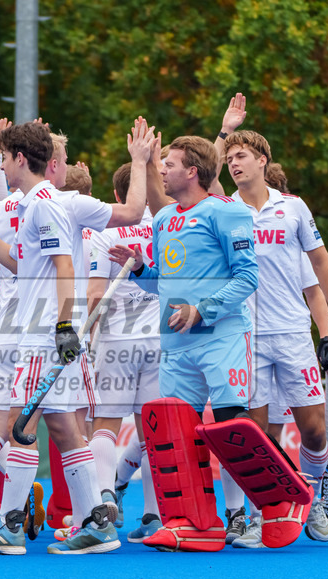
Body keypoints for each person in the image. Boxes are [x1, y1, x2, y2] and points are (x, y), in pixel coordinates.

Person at [0, 121, 121, 555]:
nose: (2, 168)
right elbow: (17, 263)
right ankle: (98, 525)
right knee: (64, 429)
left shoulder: (42, 205)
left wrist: (64, 325)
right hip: (46, 333)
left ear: (20, 160)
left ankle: (8, 529)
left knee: (21, 429)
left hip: (44, 335)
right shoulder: (36, 203)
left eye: (4, 159)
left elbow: (64, 267)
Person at [109, 134, 260, 552]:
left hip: (221, 337)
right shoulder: (162, 220)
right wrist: (140, 269)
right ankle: (192, 519)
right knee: (178, 434)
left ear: (192, 172)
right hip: (175, 344)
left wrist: (202, 309)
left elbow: (247, 277)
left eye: (169, 164)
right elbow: (166, 282)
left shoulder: (227, 212)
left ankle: (240, 517)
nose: (162, 170)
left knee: (230, 425)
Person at [222, 128, 328, 545]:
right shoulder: (223, 209)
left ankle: (314, 500)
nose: (234, 163)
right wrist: (223, 132)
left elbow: (320, 262)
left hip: (292, 333)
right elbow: (199, 171)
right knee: (258, 436)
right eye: (229, 159)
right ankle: (263, 514)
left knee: (314, 430)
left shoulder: (293, 208)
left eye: (240, 155)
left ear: (262, 160)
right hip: (245, 339)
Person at [85, 161, 162, 542]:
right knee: (153, 431)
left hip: (118, 340)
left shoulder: (104, 229)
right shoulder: (166, 223)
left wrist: (86, 333)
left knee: (104, 424)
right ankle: (154, 515)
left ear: (118, 196)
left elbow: (97, 294)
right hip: (160, 341)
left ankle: (105, 501)